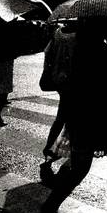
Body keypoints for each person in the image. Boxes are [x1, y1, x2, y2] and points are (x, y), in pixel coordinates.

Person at [40, 15, 107, 213]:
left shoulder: (81, 50)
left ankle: (51, 204)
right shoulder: (104, 51)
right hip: (105, 117)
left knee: (80, 166)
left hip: (83, 116)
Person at [39, 21, 76, 159]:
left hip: (59, 79)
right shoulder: (79, 36)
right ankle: (62, 148)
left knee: (62, 116)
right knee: (67, 116)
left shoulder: (58, 33)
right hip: (73, 80)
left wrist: (48, 70)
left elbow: (47, 52)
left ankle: (50, 146)